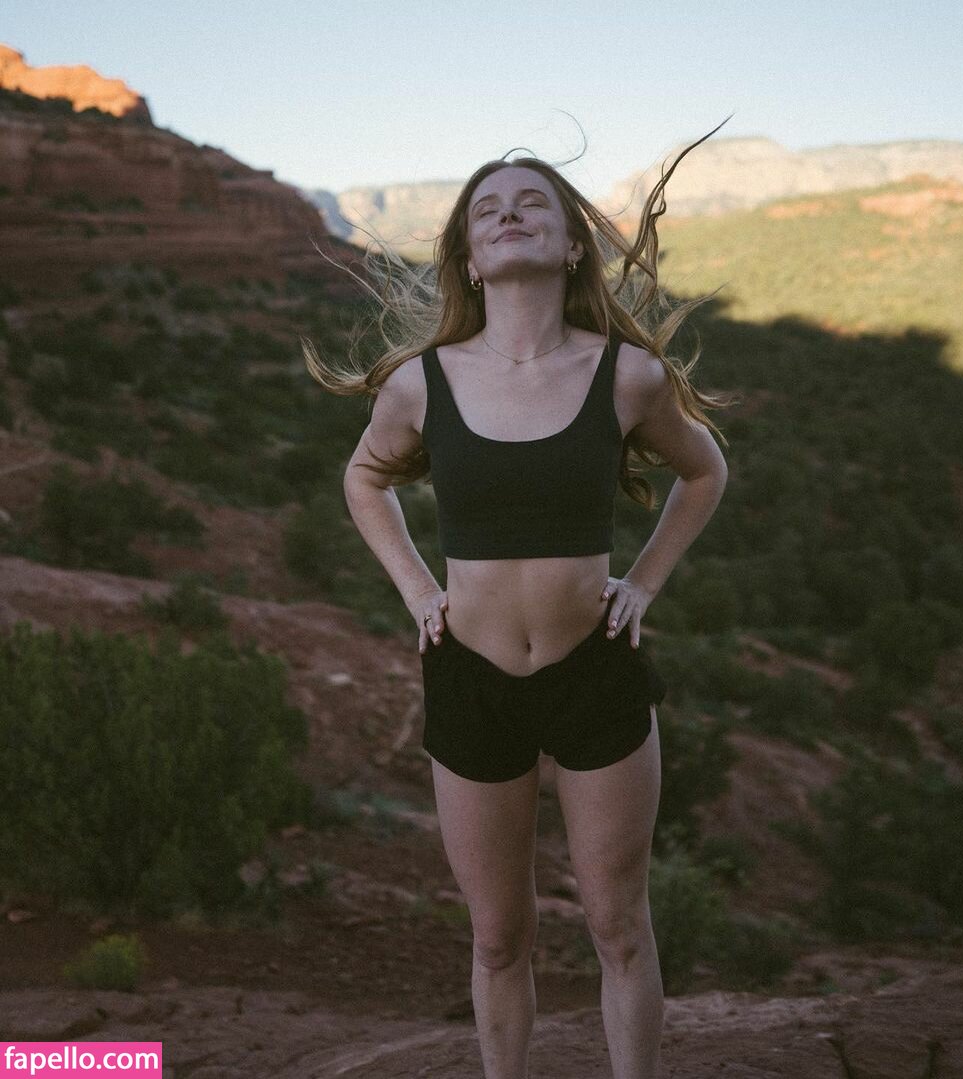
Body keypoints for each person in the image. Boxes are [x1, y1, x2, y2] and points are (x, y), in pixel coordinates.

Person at [304, 121, 733, 1079]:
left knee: (618, 925)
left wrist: (645, 582)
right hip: (472, 676)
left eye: (532, 202)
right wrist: (418, 588)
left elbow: (705, 471)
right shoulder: (422, 383)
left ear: (572, 243)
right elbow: (363, 478)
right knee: (499, 936)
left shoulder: (626, 375)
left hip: (595, 671)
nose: (509, 215)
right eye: (487, 211)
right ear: (468, 255)